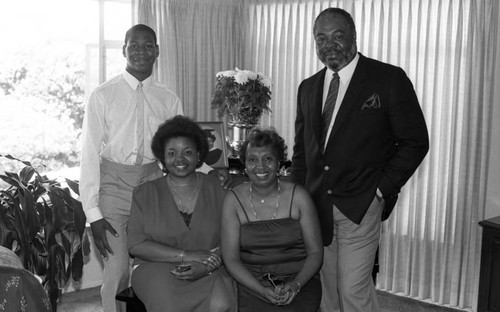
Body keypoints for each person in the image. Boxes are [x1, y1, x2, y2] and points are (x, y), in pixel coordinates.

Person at [79, 24, 230, 312]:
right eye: (133, 45)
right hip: (113, 186)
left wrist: (212, 172)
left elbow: (182, 148)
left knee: (159, 263)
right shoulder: (102, 95)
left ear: (157, 51)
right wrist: (93, 213)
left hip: (156, 184)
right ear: (124, 50)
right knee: (117, 271)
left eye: (148, 45)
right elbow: (88, 153)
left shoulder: (168, 97)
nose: (140, 51)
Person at [291, 8, 429, 312]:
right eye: (321, 38)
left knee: (353, 291)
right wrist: (295, 200)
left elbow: (415, 142)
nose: (329, 44)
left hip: (362, 205)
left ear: (354, 36)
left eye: (337, 36)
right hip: (317, 208)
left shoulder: (389, 79)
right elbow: (302, 152)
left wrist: (379, 190)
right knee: (327, 293)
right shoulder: (308, 87)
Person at [127, 115, 236, 312]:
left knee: (222, 305)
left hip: (210, 265)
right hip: (156, 266)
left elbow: (232, 238)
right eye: (171, 153)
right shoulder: (144, 193)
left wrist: (207, 265)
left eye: (187, 152)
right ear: (162, 157)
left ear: (198, 155)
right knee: (168, 304)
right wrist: (186, 256)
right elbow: (136, 245)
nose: (179, 159)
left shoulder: (217, 188)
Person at [221, 129, 323, 312]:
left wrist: (295, 285)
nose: (260, 166)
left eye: (267, 159)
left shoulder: (299, 196)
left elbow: (315, 252)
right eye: (252, 159)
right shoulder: (233, 200)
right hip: (251, 285)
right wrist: (261, 290)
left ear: (279, 163)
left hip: (300, 283)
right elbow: (231, 259)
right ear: (245, 165)